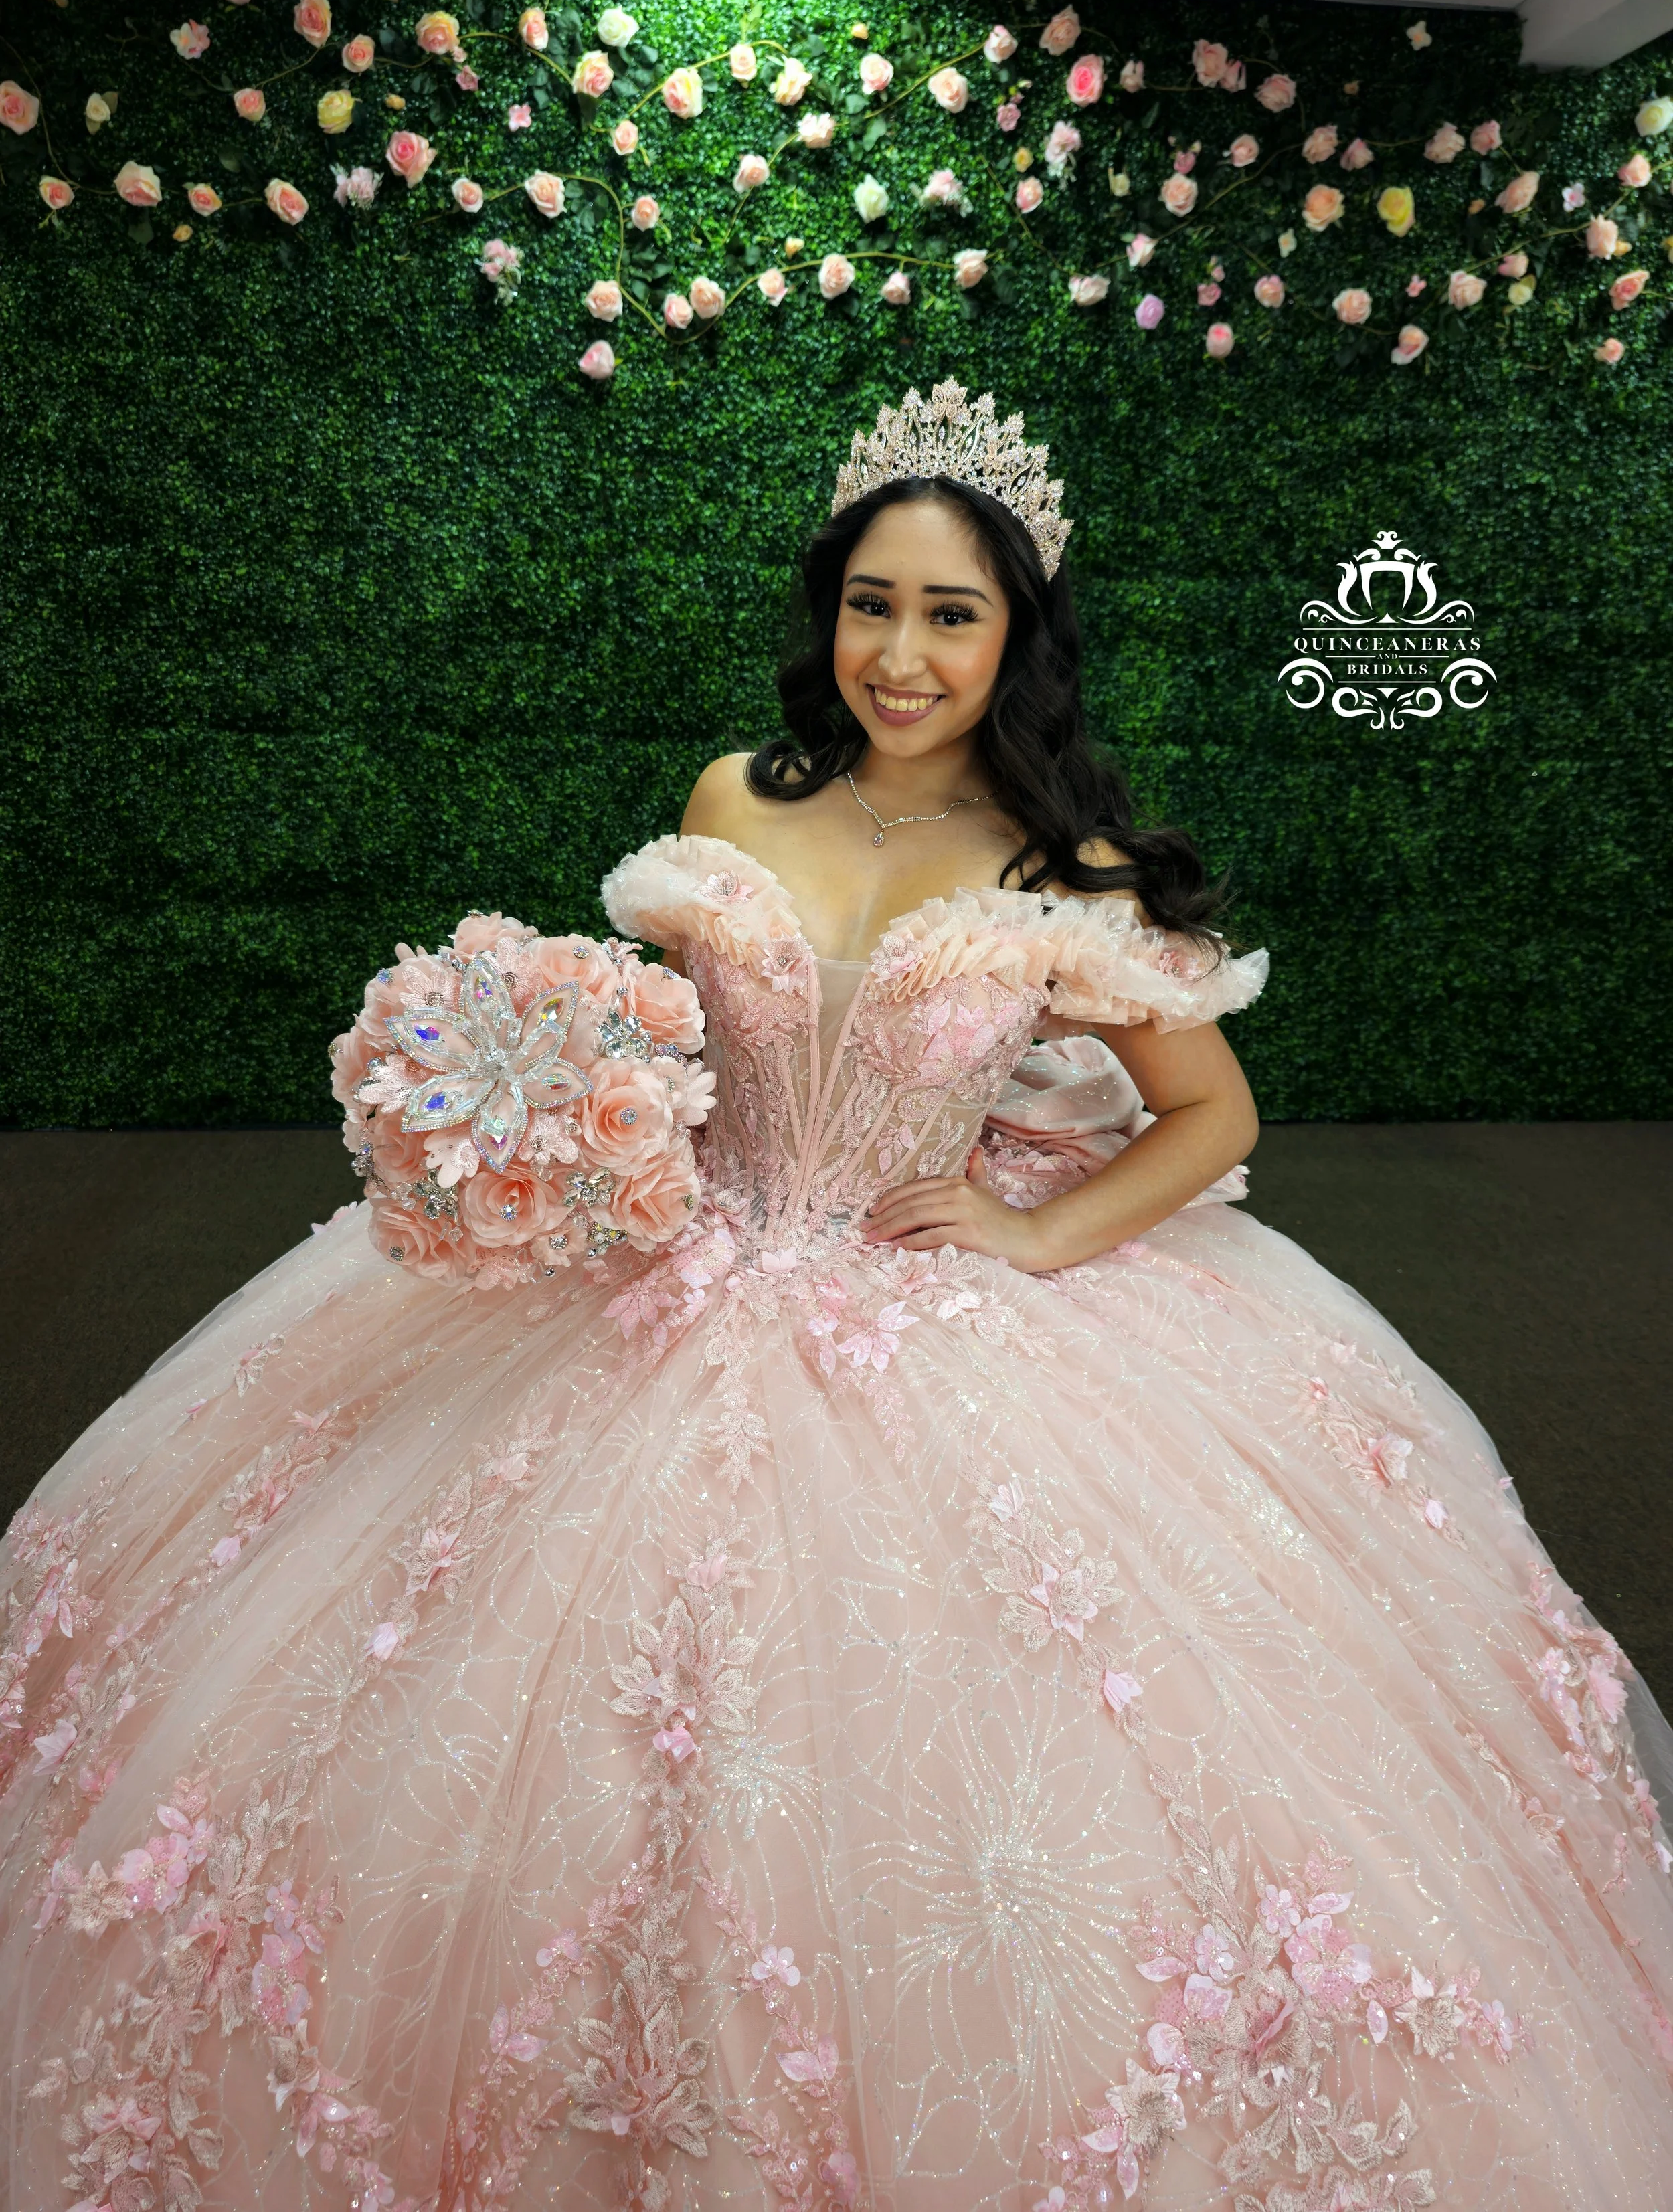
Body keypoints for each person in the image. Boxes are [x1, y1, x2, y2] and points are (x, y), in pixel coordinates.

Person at [2, 379, 1669, 2212]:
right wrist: (581, 1127)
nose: (902, 650)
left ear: (1016, 634)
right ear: (830, 609)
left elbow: (1210, 1112)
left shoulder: (1064, 864)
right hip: (664, 1273)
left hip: (920, 1303)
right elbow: (653, 1036)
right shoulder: (738, 790)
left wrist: (1035, 1233)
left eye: (951, 614)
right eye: (873, 603)